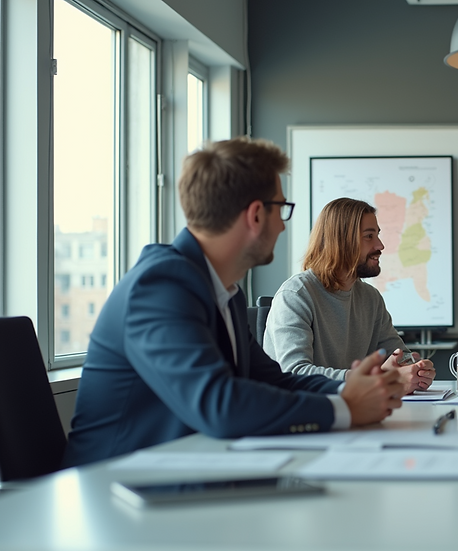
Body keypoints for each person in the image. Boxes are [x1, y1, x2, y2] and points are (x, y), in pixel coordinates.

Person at [62, 138, 404, 468]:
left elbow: (274, 381)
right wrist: (344, 408)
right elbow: (220, 405)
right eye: (281, 210)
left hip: (186, 470)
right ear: (255, 215)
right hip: (115, 484)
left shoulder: (225, 292)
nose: (282, 227)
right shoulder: (160, 286)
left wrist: (352, 388)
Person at [263, 197, 436, 394]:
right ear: (341, 241)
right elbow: (295, 373)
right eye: (369, 236)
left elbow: (398, 355)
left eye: (377, 235)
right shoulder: (296, 295)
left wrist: (415, 369)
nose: (380, 245)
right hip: (301, 408)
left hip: (352, 406)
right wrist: (371, 378)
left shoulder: (371, 298)